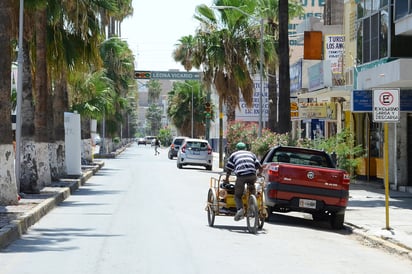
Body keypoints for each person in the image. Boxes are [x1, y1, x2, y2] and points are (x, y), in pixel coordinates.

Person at [224, 142, 262, 221]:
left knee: (237, 195)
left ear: (237, 148)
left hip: (241, 176)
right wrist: (259, 174)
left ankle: (240, 209)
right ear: (245, 148)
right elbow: (260, 167)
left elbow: (229, 169)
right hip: (252, 175)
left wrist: (227, 179)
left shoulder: (234, 155)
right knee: (252, 189)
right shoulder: (251, 154)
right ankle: (253, 203)